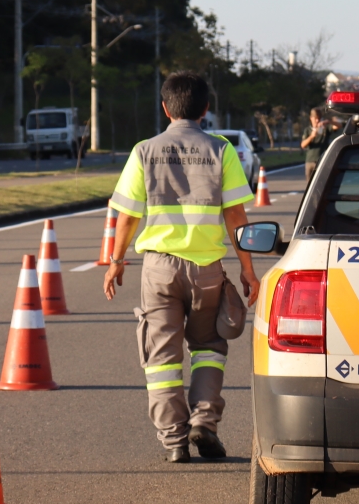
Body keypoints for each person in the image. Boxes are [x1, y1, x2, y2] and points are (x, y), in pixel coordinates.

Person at [104, 72, 260, 463]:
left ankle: (174, 440)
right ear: (206, 109)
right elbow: (236, 215)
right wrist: (247, 269)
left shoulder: (144, 151)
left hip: (158, 270)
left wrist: (116, 261)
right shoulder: (221, 150)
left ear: (165, 108)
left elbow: (127, 215)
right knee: (209, 348)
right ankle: (204, 423)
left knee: (161, 358)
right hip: (206, 269)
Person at [300, 107, 337, 188]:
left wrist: (329, 121)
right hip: (310, 161)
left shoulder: (325, 128)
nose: (317, 120)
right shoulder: (308, 130)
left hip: (322, 160)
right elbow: (303, 145)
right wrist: (311, 136)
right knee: (310, 186)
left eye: (319, 118)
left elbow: (338, 126)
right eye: (315, 118)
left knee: (322, 184)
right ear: (311, 118)